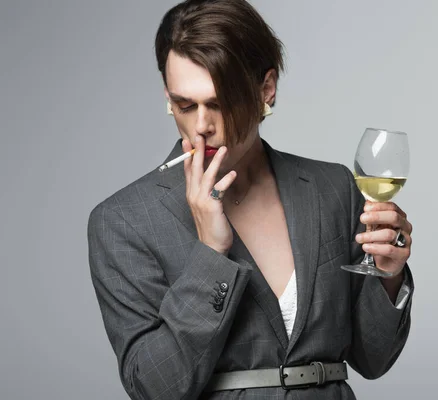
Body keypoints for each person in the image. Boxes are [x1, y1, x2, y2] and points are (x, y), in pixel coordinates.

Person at [87, 1, 415, 399]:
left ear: (267, 89)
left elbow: (374, 360)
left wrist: (389, 273)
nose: (201, 126)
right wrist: (210, 254)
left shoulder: (333, 187)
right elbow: (155, 388)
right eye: (185, 105)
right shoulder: (125, 220)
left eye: (220, 102)